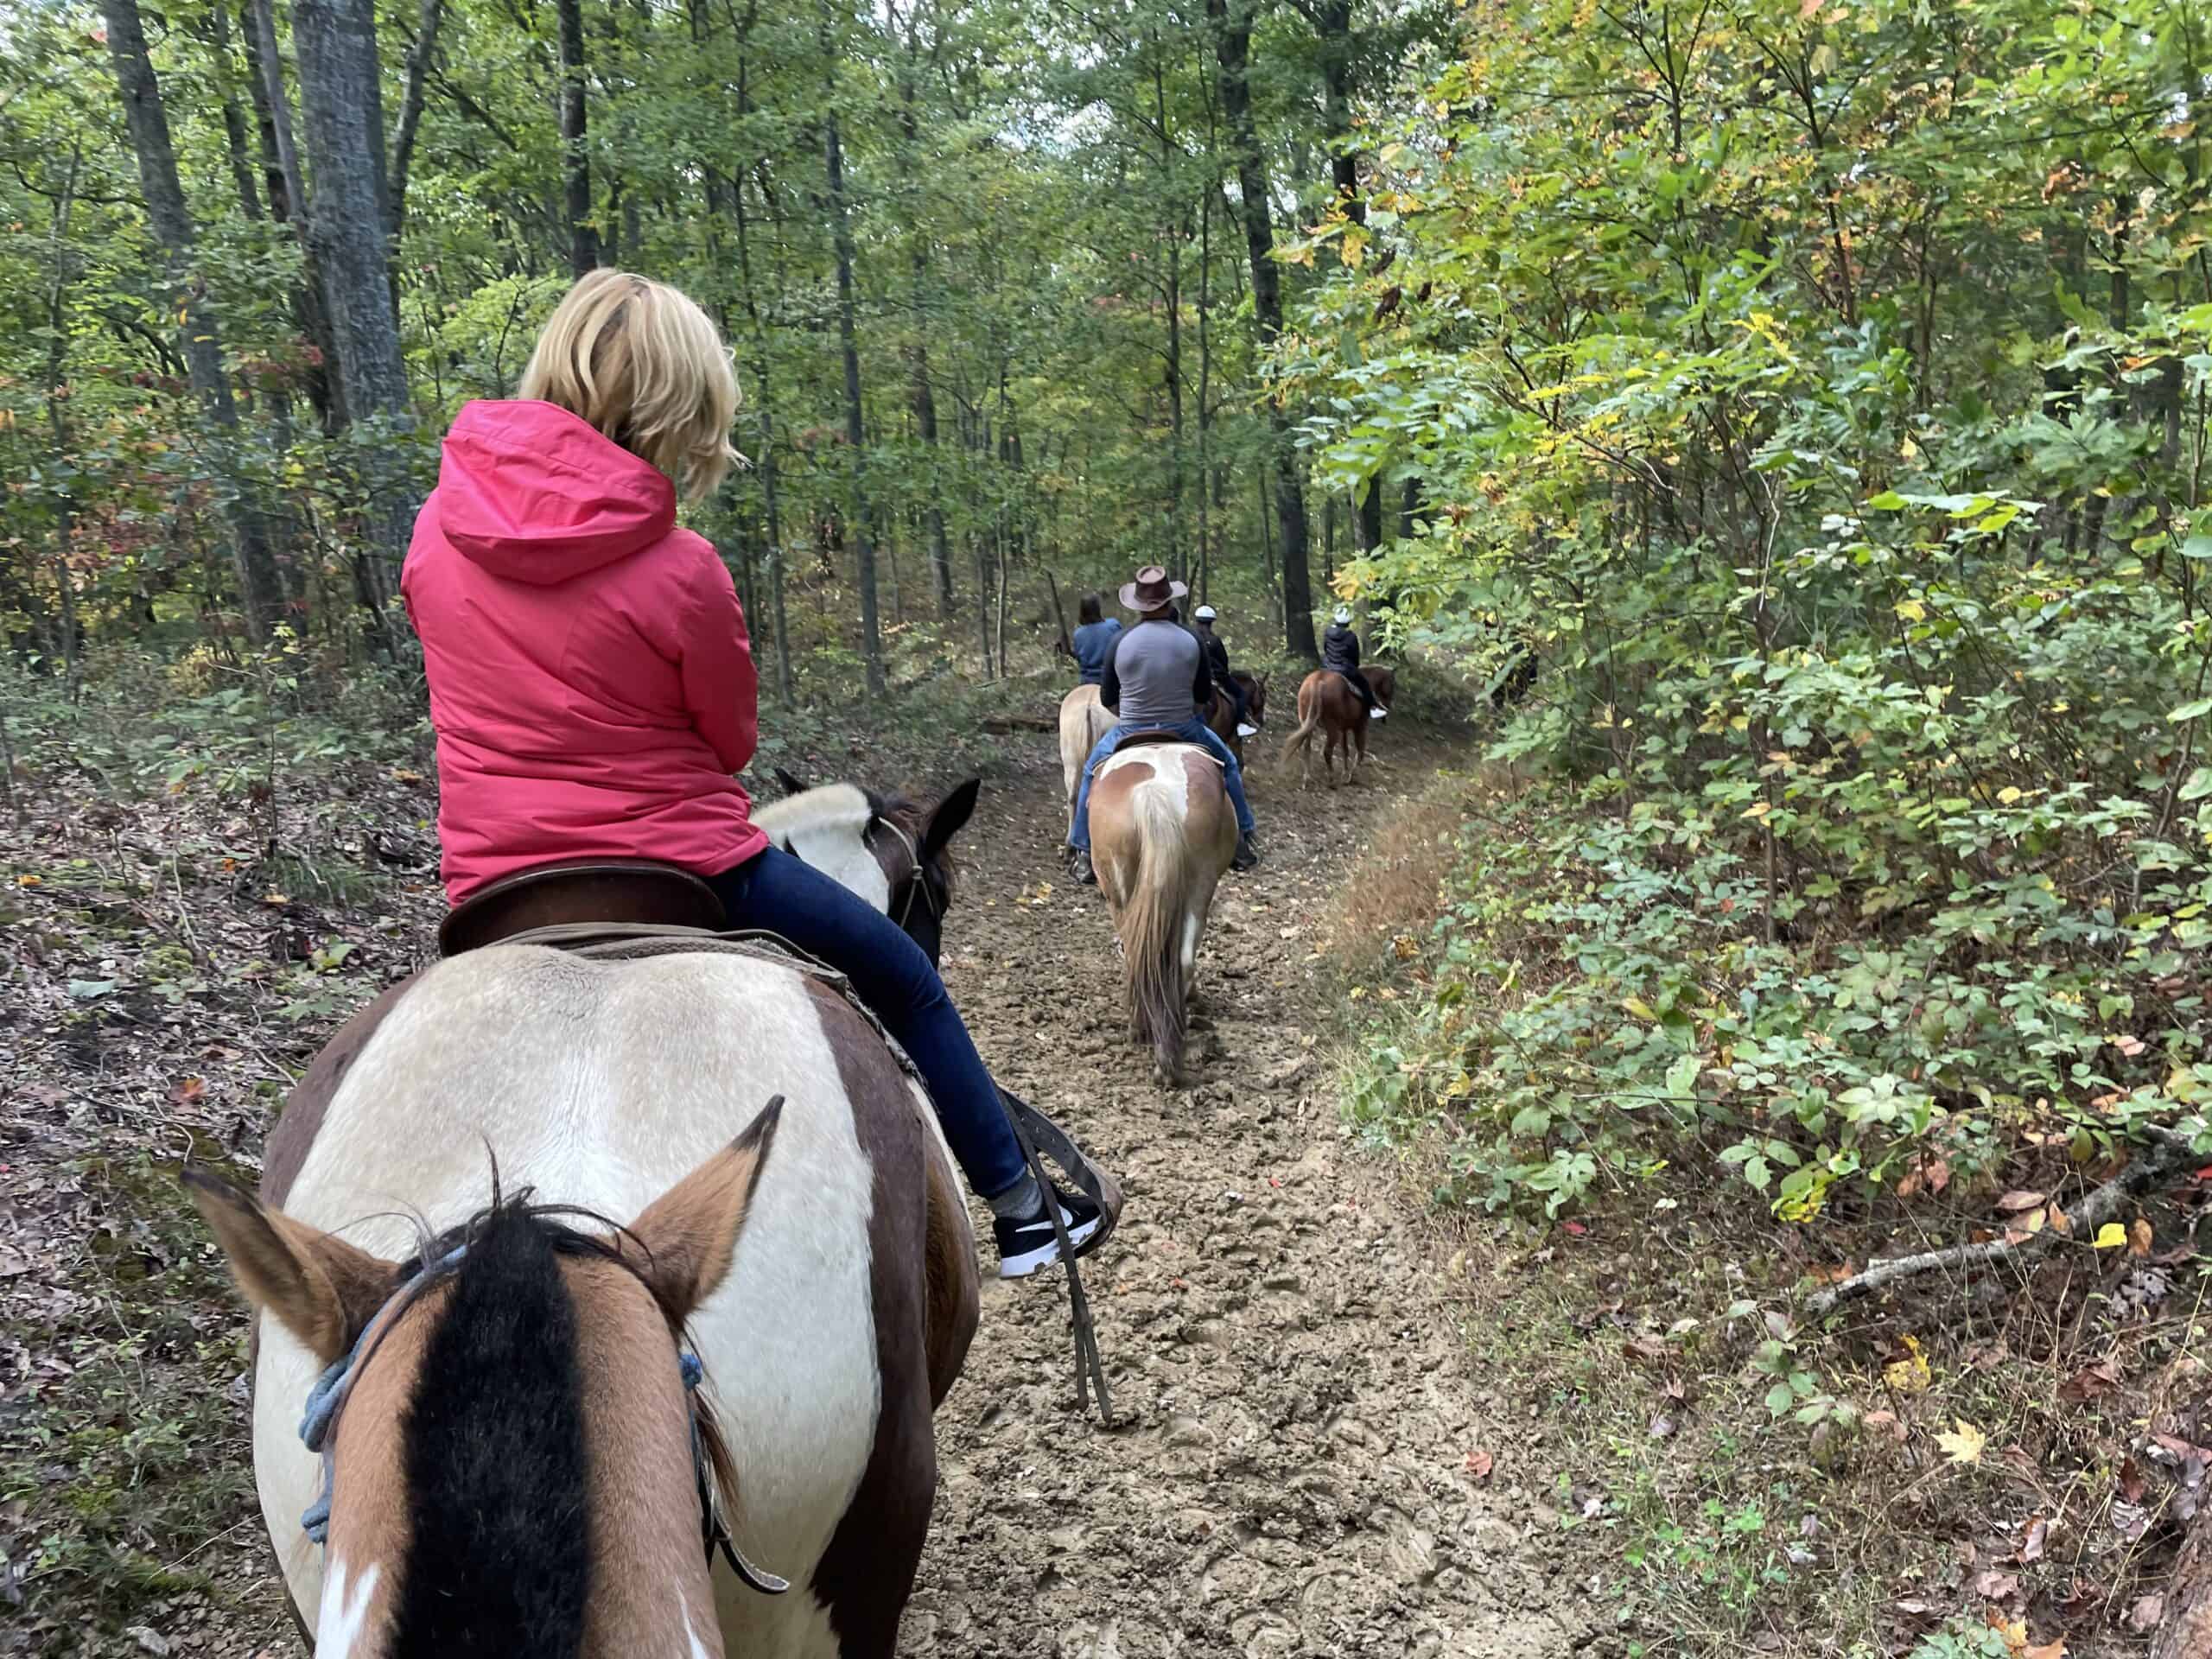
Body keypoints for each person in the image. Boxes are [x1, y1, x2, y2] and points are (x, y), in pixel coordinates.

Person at [399, 269, 1103, 1281]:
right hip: (684, 869)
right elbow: (728, 743)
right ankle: (1023, 1207)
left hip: (494, 887)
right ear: (678, 407)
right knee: (906, 982)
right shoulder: (682, 566)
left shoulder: (436, 530)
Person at [1067, 566, 1260, 885]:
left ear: (1137, 604)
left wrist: (1131, 715)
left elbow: (1107, 697)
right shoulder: (1191, 639)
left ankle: (1084, 851)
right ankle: (1243, 838)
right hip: (1183, 726)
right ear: (1169, 601)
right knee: (1228, 764)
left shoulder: (1120, 641)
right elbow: (1203, 696)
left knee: (1089, 771)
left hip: (1129, 729)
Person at [1191, 605, 1256, 738]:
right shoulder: (1215, 640)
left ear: (1197, 620)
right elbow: (1223, 661)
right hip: (1216, 676)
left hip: (1193, 676)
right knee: (1240, 694)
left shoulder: (1191, 638)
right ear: (1211, 622)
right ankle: (1241, 724)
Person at [1323, 605, 1384, 719]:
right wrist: (1355, 666)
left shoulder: (1327, 632)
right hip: (1344, 669)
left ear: (1336, 619)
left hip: (1327, 667)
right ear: (1348, 622)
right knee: (1364, 684)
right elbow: (1355, 656)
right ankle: (1372, 708)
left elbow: (1325, 648)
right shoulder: (1351, 636)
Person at [1071, 593, 1122, 687]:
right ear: (1098, 609)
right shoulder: (1113, 625)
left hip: (1087, 681)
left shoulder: (1078, 634)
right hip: (1112, 679)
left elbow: (1079, 658)